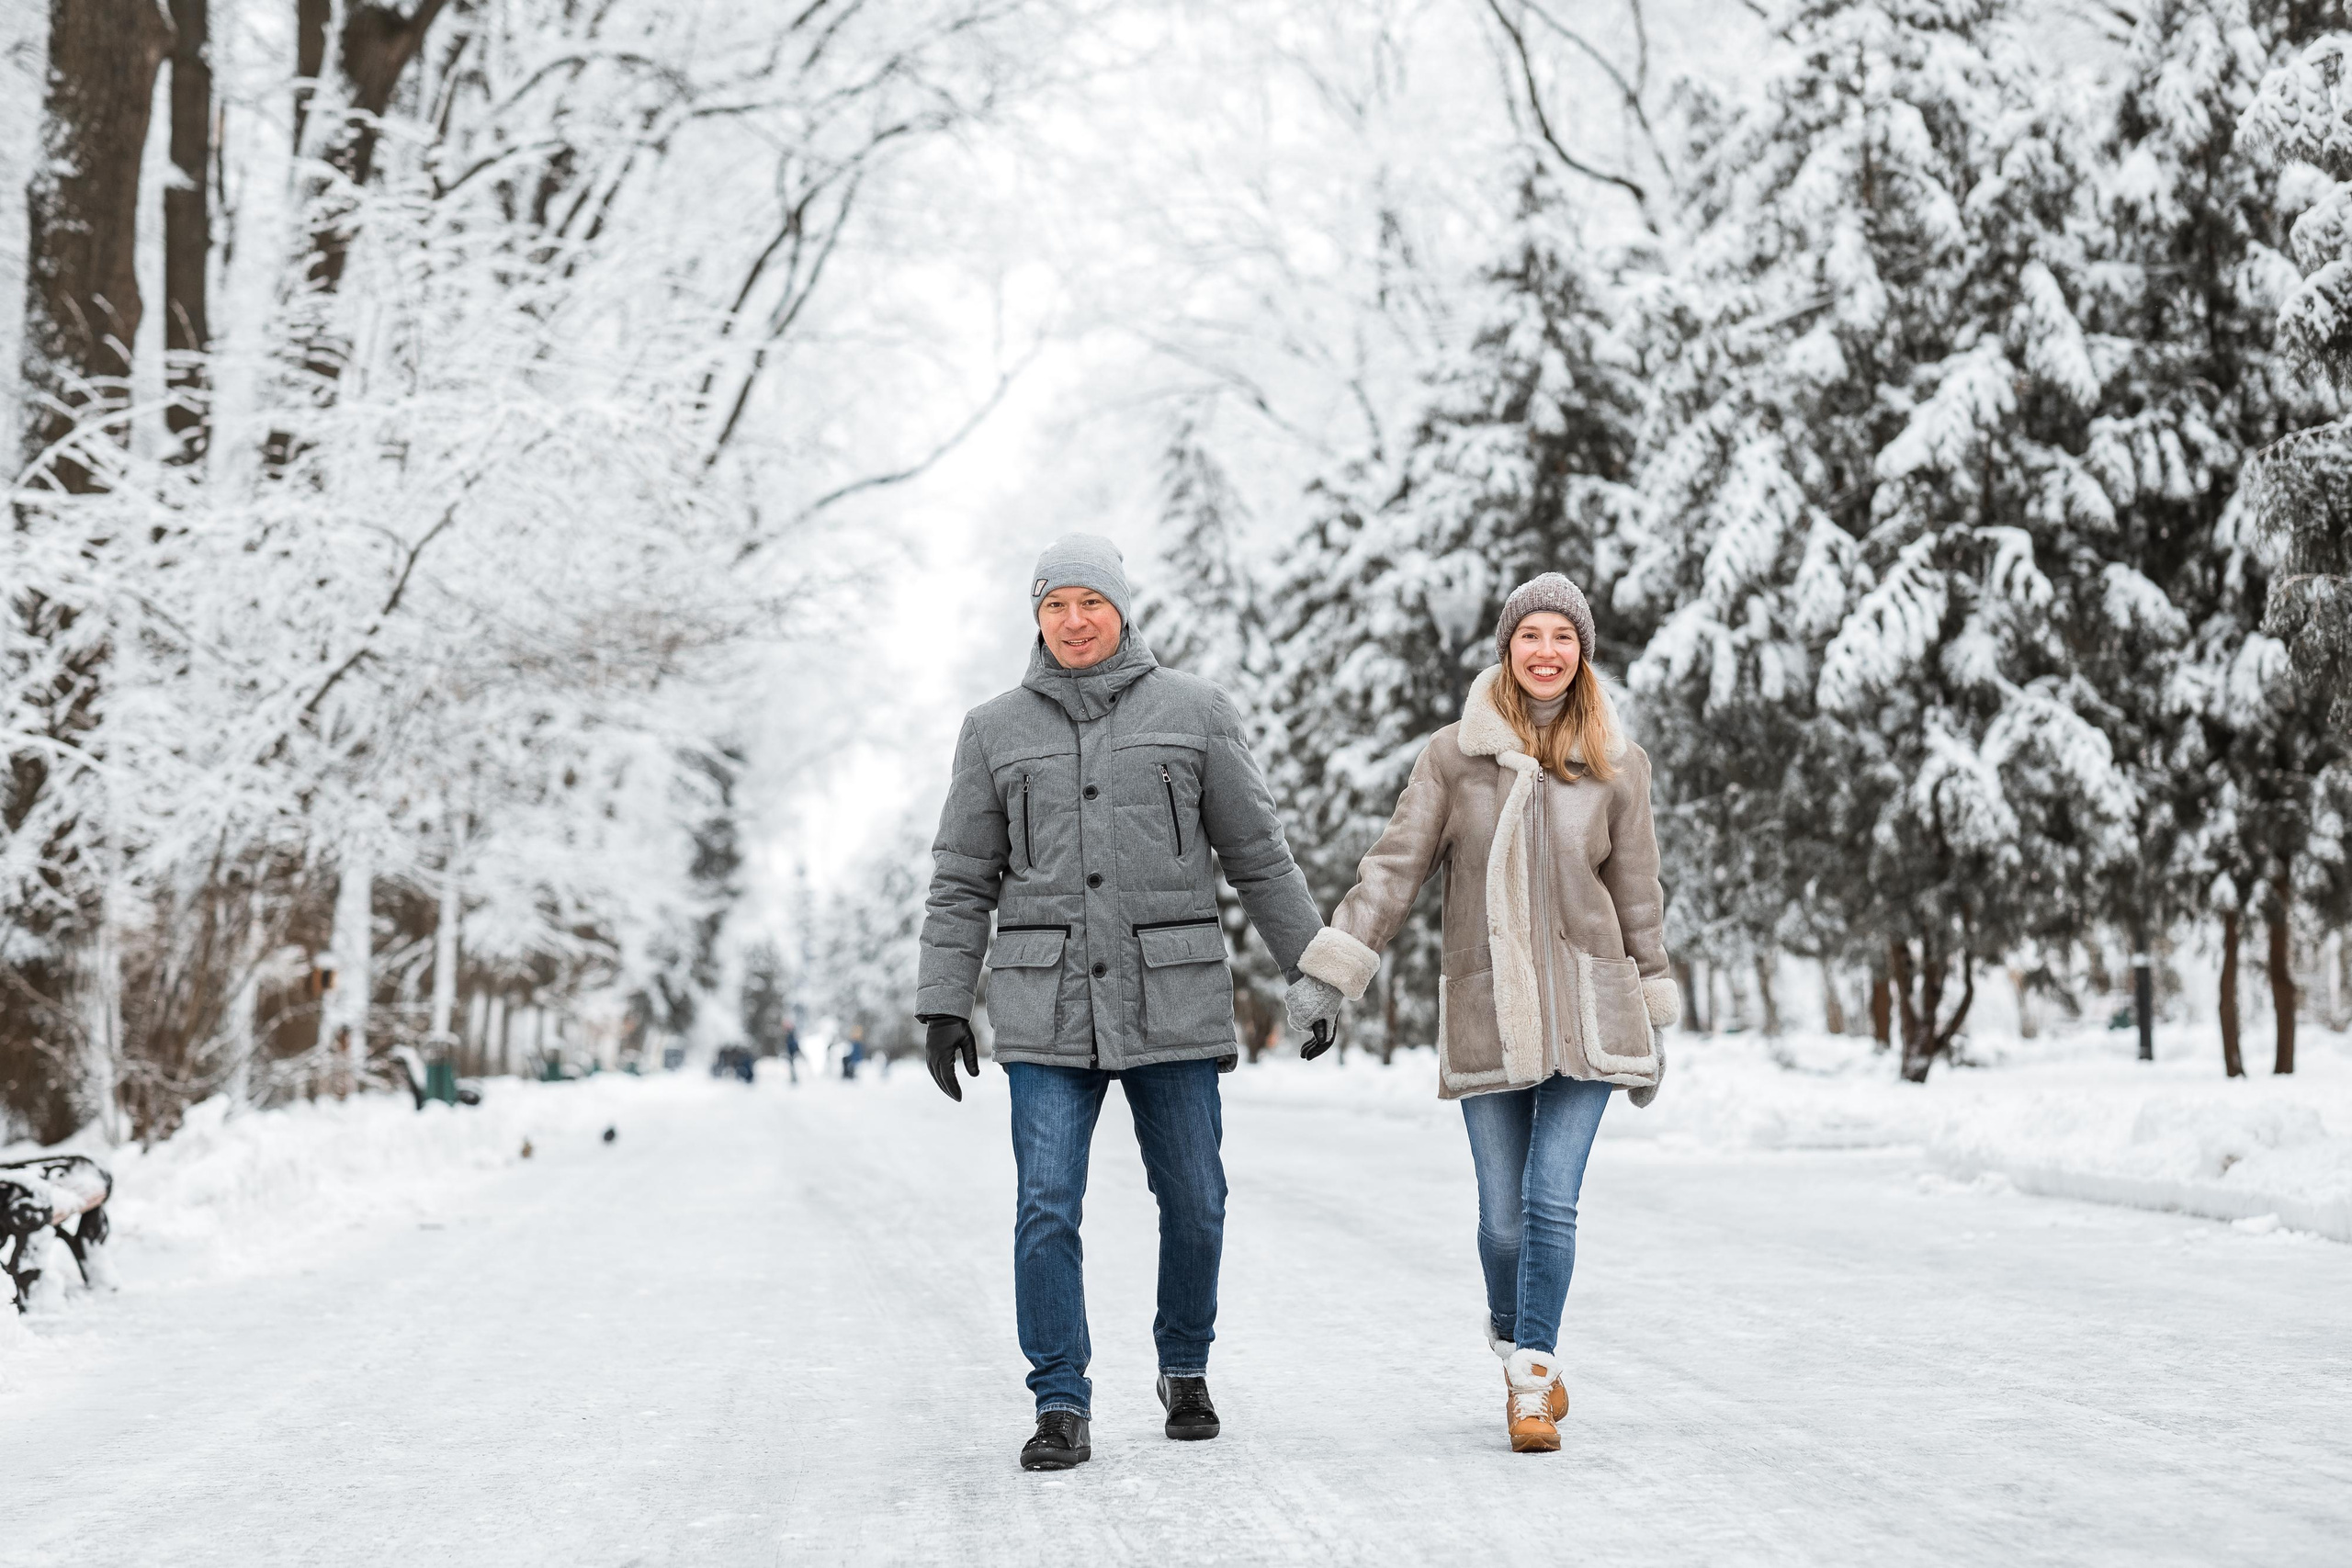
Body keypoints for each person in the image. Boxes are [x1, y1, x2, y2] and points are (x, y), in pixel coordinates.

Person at [916, 534, 1340, 1472]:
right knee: (1045, 1204)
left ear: (1121, 610)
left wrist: (1312, 972)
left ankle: (1183, 1365)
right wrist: (944, 1000)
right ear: (1036, 617)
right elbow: (961, 876)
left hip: (1172, 997)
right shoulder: (993, 730)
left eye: (1090, 603)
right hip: (1044, 1004)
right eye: (1055, 604)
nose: (1074, 620)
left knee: (1196, 1201)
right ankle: (1059, 1398)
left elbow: (1257, 856)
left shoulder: (1195, 712)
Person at [1289, 572, 1676, 1454]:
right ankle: (1515, 1338)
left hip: (1591, 1003)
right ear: (1508, 648)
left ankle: (1531, 1376)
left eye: (1564, 637)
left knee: (1550, 1201)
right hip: (1490, 1007)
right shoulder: (1452, 756)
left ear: (1582, 653)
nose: (1548, 650)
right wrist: (1336, 969)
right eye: (1531, 634)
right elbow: (1392, 869)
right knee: (1502, 1216)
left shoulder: (1618, 760)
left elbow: (1640, 894)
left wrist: (1654, 1003)